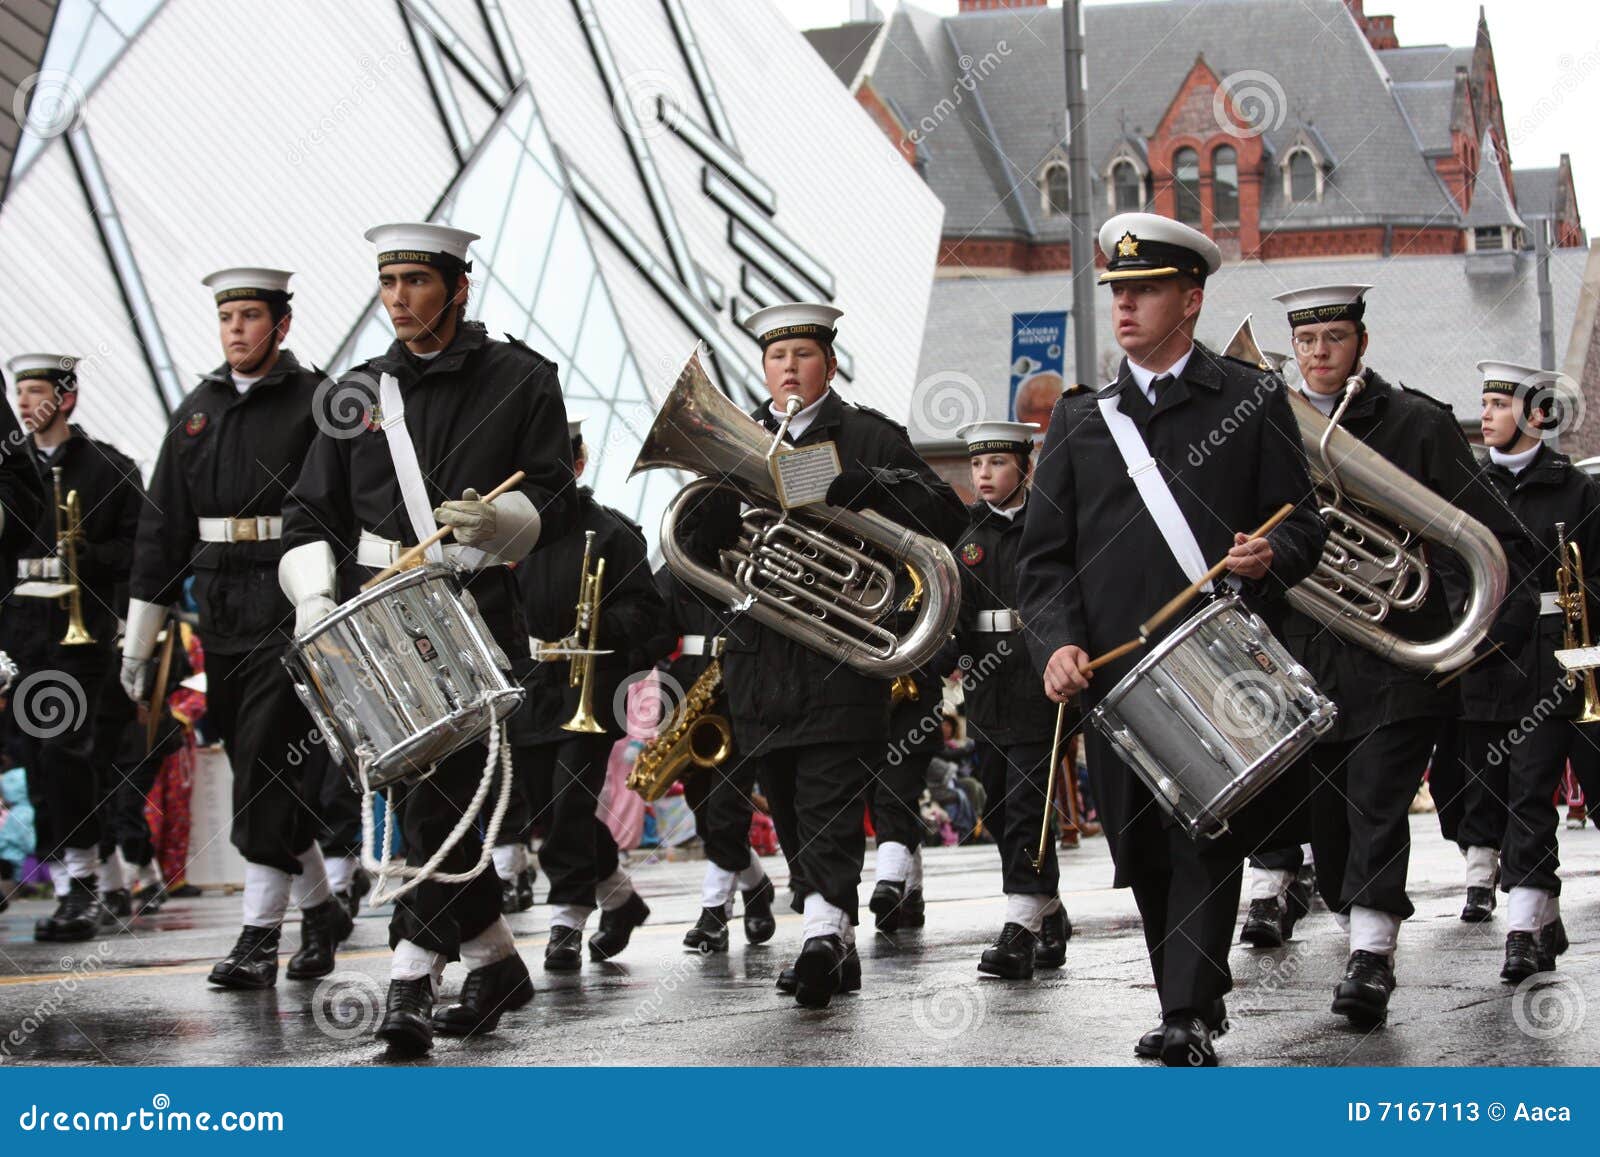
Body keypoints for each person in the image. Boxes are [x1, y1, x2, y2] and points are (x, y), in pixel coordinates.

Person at [1017, 213, 1328, 1065]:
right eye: (1118, 291)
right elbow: (1041, 562)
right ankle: (1187, 995)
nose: (1124, 306)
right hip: (1114, 679)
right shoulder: (1083, 420)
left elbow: (1308, 524)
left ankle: (1188, 1009)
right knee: (1141, 847)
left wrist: (1273, 555)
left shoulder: (1249, 398)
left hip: (1218, 665)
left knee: (1206, 834)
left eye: (1144, 291)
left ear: (1189, 301)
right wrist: (1054, 644)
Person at [279, 222, 575, 1055]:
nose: (399, 297)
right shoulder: (355, 393)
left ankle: (410, 979)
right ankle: (491, 958)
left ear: (458, 286)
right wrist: (311, 601)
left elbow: (554, 494)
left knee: (436, 795)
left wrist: (501, 521)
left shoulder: (522, 379)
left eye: (415, 280)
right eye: (388, 282)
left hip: (473, 604)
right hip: (379, 614)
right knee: (421, 794)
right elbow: (309, 511)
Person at [681, 302, 967, 1008]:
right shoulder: (738, 439)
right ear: (764, 368)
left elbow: (944, 511)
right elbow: (694, 539)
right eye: (777, 358)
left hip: (841, 657)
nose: (788, 369)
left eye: (802, 356)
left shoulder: (868, 434)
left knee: (829, 798)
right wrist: (715, 503)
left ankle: (820, 936)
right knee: (787, 805)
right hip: (760, 658)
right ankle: (832, 939)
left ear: (828, 365)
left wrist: (853, 486)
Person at [1268, 285, 1535, 1026]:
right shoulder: (1270, 425)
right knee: (1328, 816)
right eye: (1306, 341)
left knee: (1376, 799)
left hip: (1396, 647)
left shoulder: (1416, 421)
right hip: (1309, 648)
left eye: (1333, 338)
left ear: (1362, 342)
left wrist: (1473, 635)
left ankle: (1372, 955)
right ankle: (1361, 929)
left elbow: (1487, 530)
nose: (1318, 354)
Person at [122, 268, 354, 987]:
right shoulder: (195, 411)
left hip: (291, 600)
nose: (236, 330)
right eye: (228, 318)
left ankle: (259, 934)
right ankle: (322, 910)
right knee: (257, 762)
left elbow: (340, 507)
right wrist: (140, 638)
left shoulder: (317, 400)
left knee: (261, 760)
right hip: (218, 607)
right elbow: (160, 529)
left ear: (281, 325)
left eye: (251, 317)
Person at [1453, 359, 1597, 979]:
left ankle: (1521, 928)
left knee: (1531, 794)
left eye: (1499, 404)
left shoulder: (1578, 490)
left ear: (1536, 414)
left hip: (1554, 659)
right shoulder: (1467, 488)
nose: (1485, 416)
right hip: (1487, 659)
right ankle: (1544, 917)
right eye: (1483, 404)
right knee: (1486, 794)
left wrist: (1577, 600)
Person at [508, 419, 663, 969]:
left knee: (571, 802)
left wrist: (599, 625)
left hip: (587, 689)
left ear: (577, 465)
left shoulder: (613, 533)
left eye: (558, 462)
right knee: (548, 809)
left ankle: (566, 920)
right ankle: (620, 900)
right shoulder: (510, 534)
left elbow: (649, 614)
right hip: (529, 685)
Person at [4, 352, 144, 943]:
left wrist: (83, 557)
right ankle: (93, 878)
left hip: (82, 637)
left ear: (66, 398)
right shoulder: (9, 468)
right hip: (24, 631)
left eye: (36, 392)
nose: (23, 405)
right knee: (38, 762)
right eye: (18, 393)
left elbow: (141, 550)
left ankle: (79, 883)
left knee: (71, 753)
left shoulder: (110, 468)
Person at [949, 420, 1070, 979]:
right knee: (997, 804)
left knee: (1027, 802)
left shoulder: (1050, 526)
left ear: (1024, 465)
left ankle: (1019, 926)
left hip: (1040, 676)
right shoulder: (967, 539)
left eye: (996, 464)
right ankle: (1046, 908)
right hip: (987, 686)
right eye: (977, 465)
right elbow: (957, 615)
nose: (984, 476)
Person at [651, 563, 779, 954]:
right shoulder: (676, 565)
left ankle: (713, 914)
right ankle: (756, 885)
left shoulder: (758, 562)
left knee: (726, 811)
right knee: (704, 809)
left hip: (745, 689)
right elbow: (654, 631)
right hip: (692, 691)